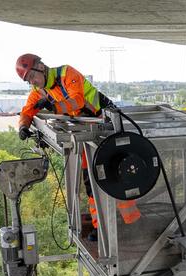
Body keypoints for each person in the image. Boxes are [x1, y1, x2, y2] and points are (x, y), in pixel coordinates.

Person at [15, 54, 138, 240]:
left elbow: (77, 101)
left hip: (107, 124)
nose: (33, 82)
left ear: (40, 66)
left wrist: (53, 105)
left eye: (32, 77)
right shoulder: (39, 91)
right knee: (91, 181)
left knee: (119, 173)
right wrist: (23, 126)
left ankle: (132, 224)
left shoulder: (67, 73)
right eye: (29, 80)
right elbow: (28, 110)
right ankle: (101, 228)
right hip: (89, 132)